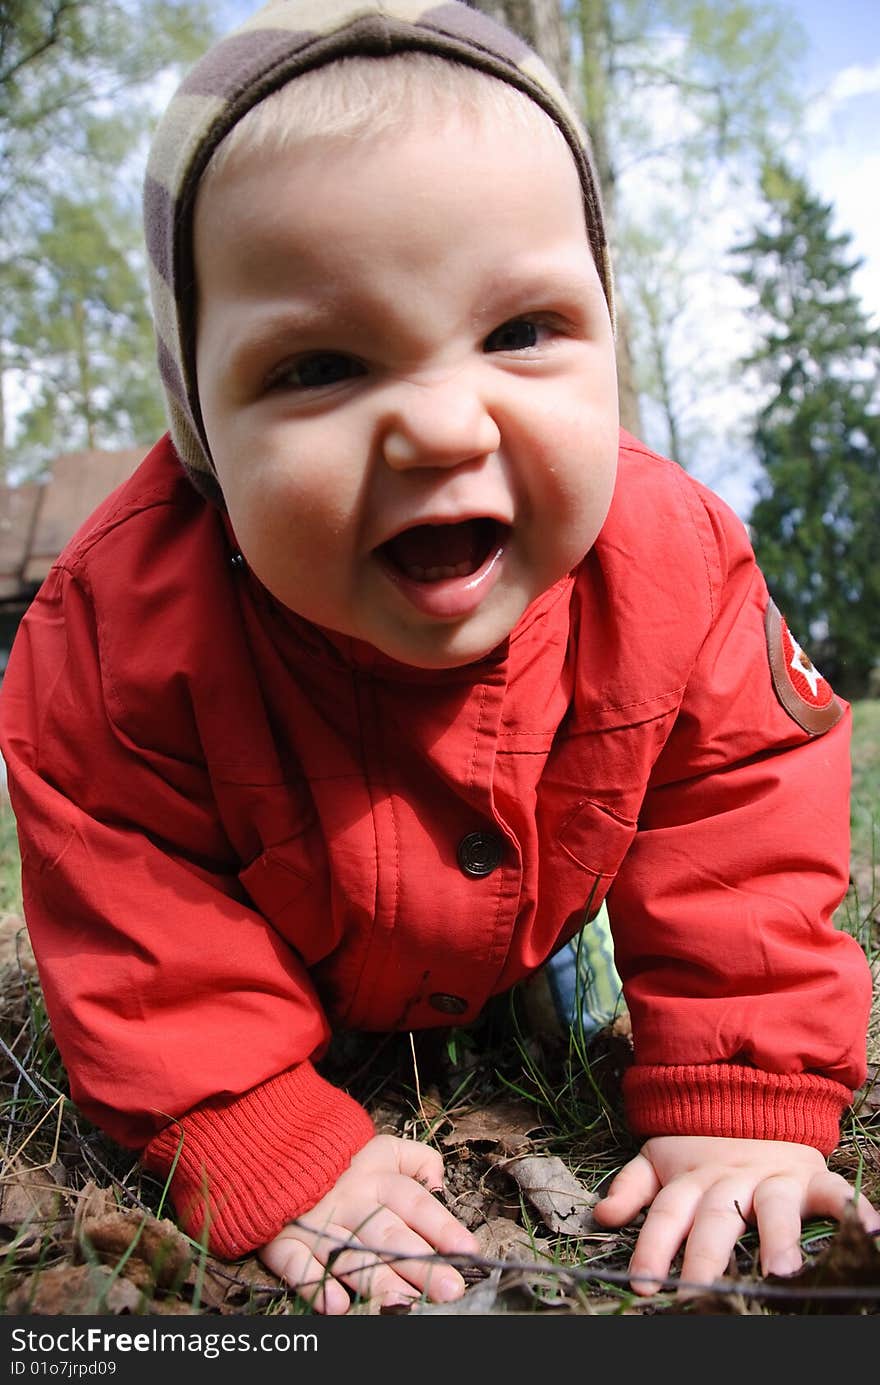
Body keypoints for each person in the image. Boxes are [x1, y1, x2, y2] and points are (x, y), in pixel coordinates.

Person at [0, 0, 876, 1316]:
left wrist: (741, 1090)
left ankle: (532, 986)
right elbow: (136, 911)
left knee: (549, 997)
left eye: (522, 331)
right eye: (321, 364)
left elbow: (742, 814)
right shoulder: (115, 630)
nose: (441, 425)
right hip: (277, 943)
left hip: (530, 914)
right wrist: (252, 1121)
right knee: (305, 1025)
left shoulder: (678, 568)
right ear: (200, 421)